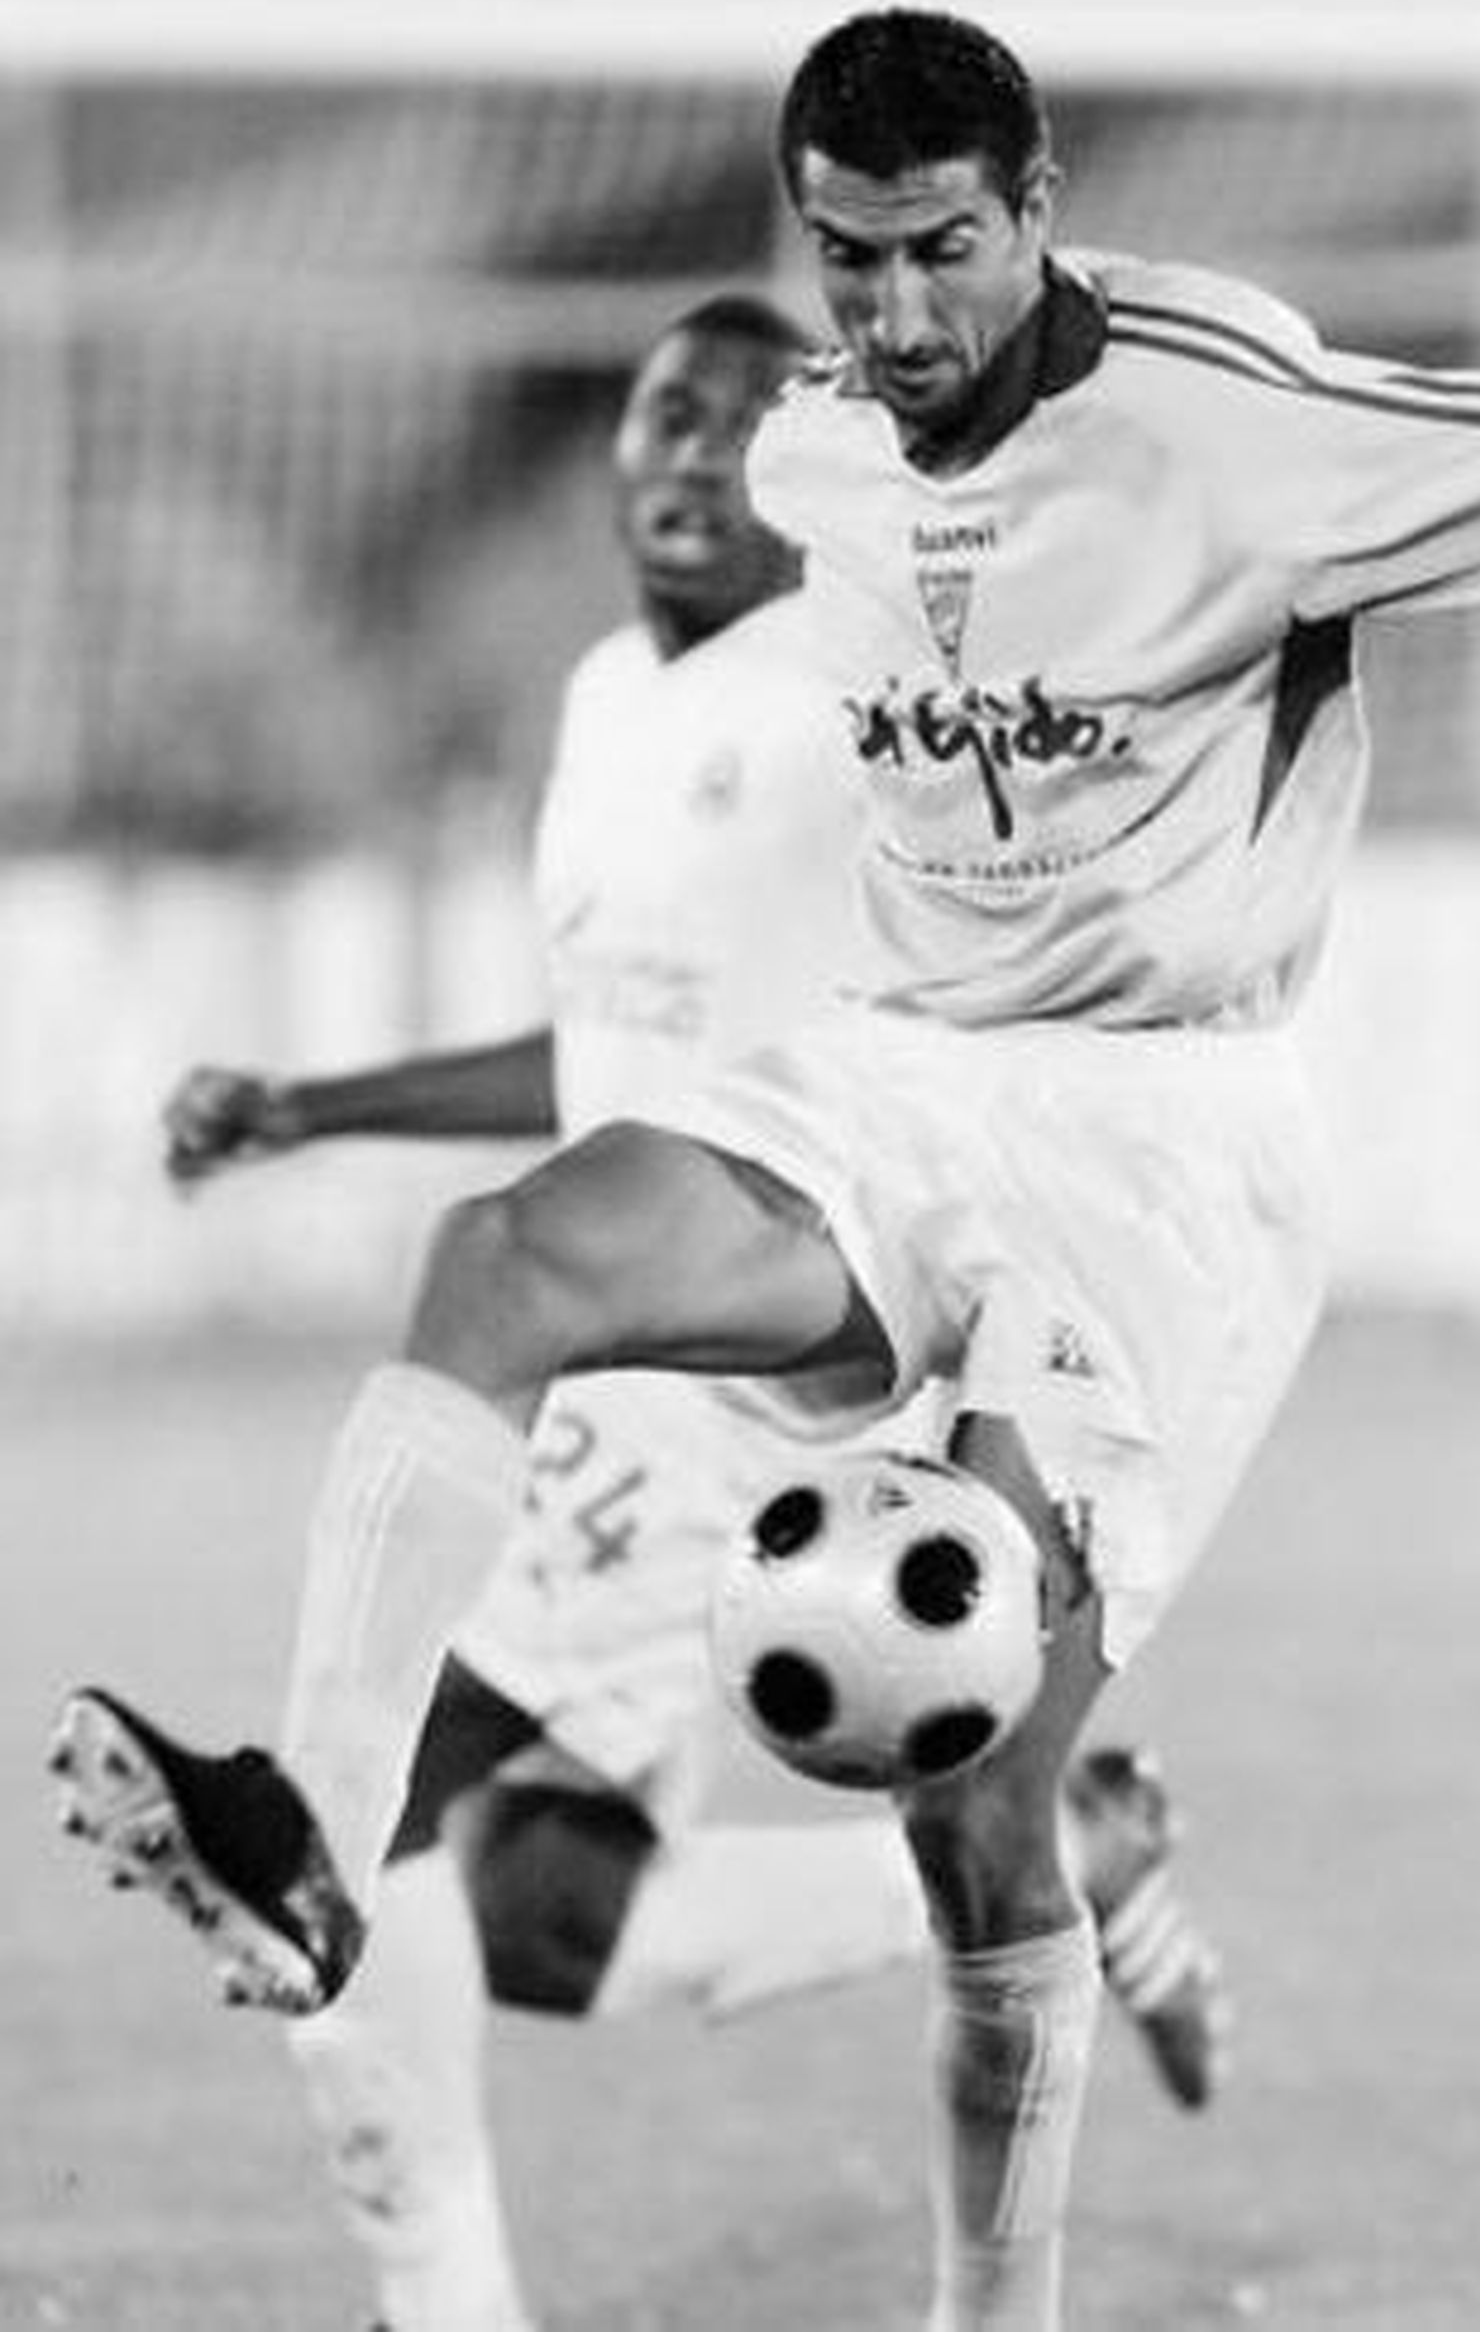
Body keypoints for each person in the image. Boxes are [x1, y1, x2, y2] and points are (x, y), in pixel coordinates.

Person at [56, 4, 1480, 2328]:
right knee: (508, 1257)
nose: (891, 319)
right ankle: (316, 1833)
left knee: (967, 1800)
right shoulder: (817, 462)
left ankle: (1004, 2305)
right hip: (903, 1071)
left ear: (1040, 208)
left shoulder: (1239, 425)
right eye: (846, 261)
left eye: (940, 256)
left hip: (1166, 1145)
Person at [118, 293, 1221, 2332]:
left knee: (378, 1788)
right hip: (602, 1319)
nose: (693, 456)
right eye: (661, 413)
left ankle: (439, 2304)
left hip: (731, 1364)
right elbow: (614, 1050)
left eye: (744, 425)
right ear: (610, 447)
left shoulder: (850, 697)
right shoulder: (604, 700)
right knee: (541, 1911)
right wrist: (318, 1108)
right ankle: (1068, 1827)